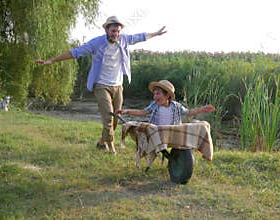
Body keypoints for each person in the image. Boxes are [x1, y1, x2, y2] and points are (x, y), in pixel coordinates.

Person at [35, 16, 167, 154]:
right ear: (106, 30)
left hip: (118, 86)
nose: (115, 34)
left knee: (116, 118)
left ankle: (101, 142)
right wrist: (52, 60)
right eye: (113, 31)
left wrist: (156, 34)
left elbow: (141, 37)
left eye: (117, 31)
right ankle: (111, 148)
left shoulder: (124, 40)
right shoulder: (96, 43)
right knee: (108, 117)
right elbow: (75, 52)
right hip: (101, 85)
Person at [115, 80, 216, 125]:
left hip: (172, 132)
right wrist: (127, 111)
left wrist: (203, 109)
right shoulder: (155, 105)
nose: (155, 97)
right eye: (154, 94)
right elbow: (142, 112)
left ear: (167, 96)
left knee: (200, 125)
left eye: (158, 94)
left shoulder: (176, 106)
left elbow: (188, 113)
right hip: (157, 131)